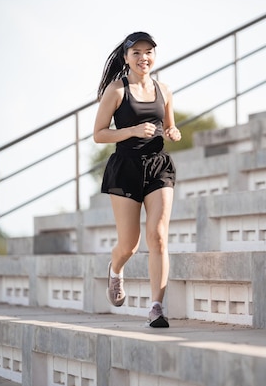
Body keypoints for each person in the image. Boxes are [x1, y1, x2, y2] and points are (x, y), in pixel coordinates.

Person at [93, 31, 181, 328]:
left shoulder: (164, 90)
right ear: (126, 58)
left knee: (157, 236)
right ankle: (116, 269)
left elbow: (169, 125)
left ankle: (156, 307)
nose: (144, 57)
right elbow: (99, 134)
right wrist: (131, 131)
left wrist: (173, 132)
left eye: (149, 52)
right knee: (130, 244)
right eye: (137, 53)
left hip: (158, 166)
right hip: (126, 167)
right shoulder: (117, 91)